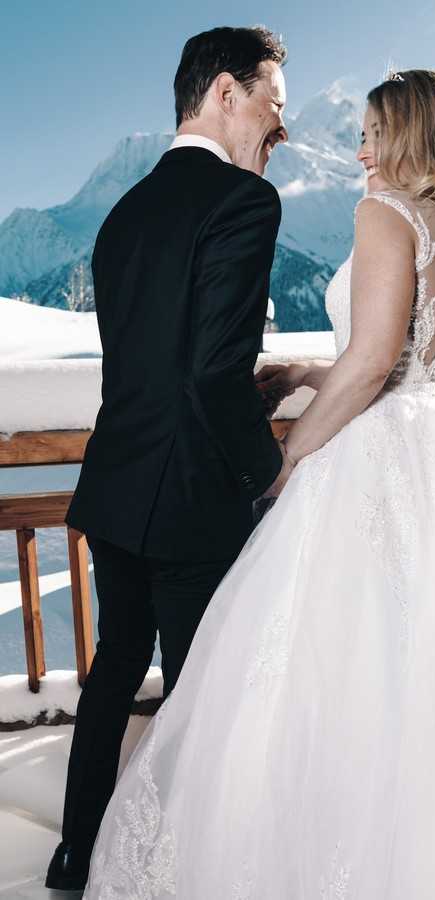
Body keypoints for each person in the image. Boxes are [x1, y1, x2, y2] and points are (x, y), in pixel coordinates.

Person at [83, 70, 435, 898]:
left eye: (370, 130)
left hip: (377, 456)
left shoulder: (384, 211)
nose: (358, 148)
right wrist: (302, 370)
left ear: (405, 133)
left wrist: (292, 464)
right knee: (434, 671)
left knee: (338, 666)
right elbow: (404, 363)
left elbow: (368, 369)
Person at [45, 26, 293, 892]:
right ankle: (186, 871)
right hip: (193, 499)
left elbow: (156, 360)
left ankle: (75, 854)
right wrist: (272, 475)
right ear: (225, 91)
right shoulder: (246, 203)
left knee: (115, 670)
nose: (280, 127)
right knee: (200, 694)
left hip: (115, 488)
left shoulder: (122, 214)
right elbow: (211, 372)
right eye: (272, 104)